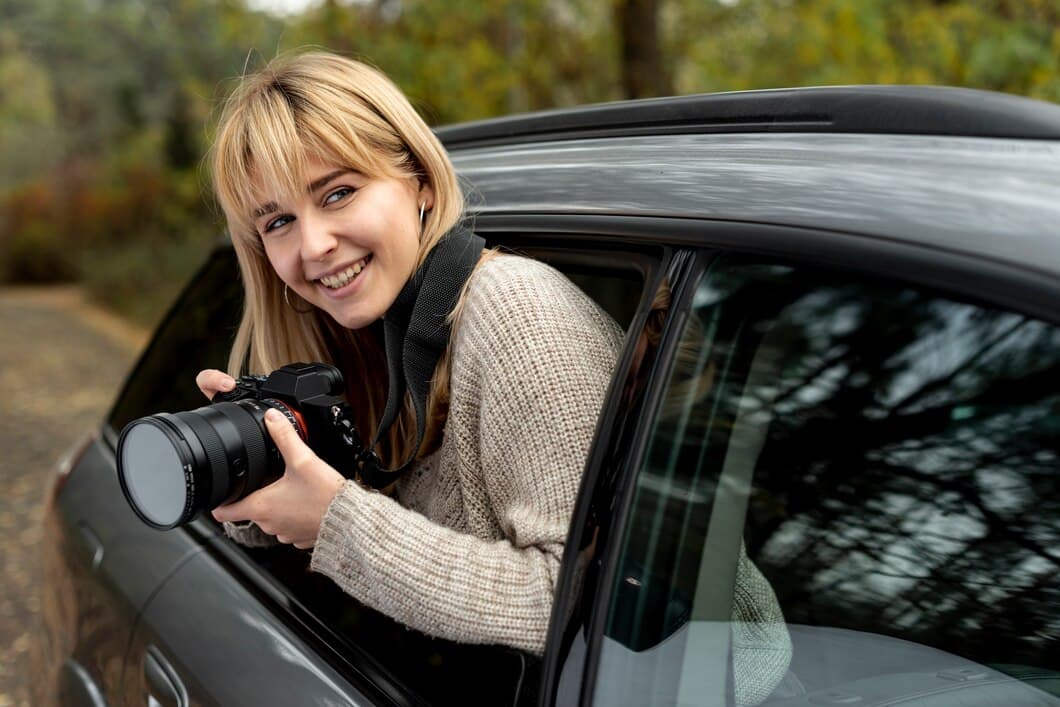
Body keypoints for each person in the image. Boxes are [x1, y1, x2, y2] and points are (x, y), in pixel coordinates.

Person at [195, 50, 623, 655]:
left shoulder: (520, 314)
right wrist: (257, 472)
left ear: (419, 181)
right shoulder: (361, 336)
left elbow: (580, 604)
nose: (314, 245)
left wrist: (338, 522)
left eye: (338, 193)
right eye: (278, 222)